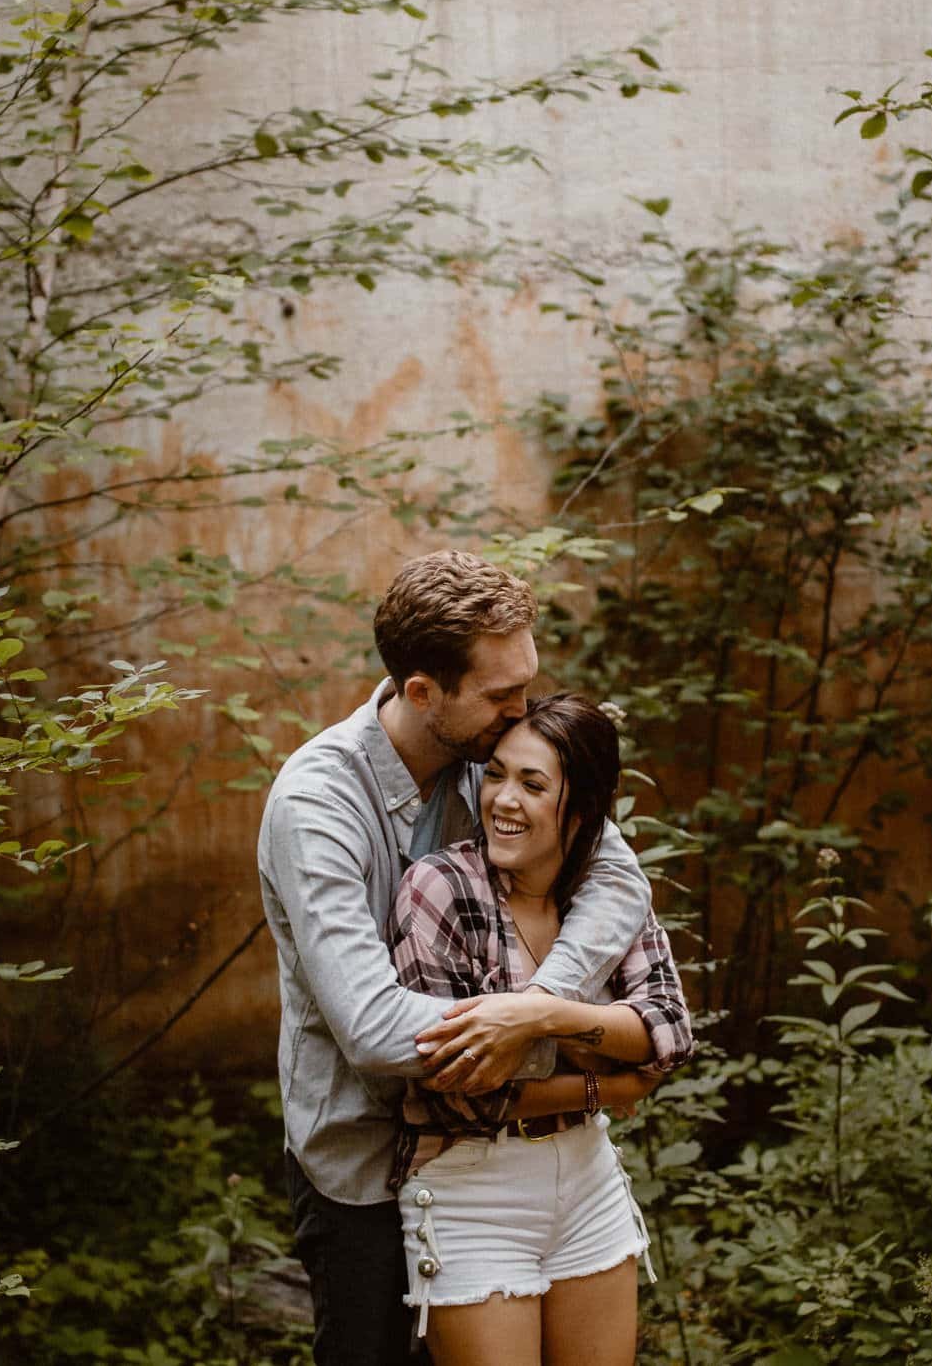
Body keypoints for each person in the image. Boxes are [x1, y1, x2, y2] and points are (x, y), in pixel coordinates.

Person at [257, 552, 655, 1366]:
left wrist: (540, 1002)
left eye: (527, 682)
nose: (525, 708)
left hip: (487, 1164)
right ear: (422, 692)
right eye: (502, 693)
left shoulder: (494, 759)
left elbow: (617, 875)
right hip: (364, 1165)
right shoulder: (318, 803)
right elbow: (372, 1027)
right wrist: (575, 1047)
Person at [387, 693, 693, 1366]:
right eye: (495, 773)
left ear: (580, 808)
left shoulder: (606, 892)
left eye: (532, 784)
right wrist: (608, 1085)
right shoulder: (438, 889)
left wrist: (543, 1015)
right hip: (472, 1188)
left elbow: (668, 1030)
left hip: (588, 1180)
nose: (502, 799)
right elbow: (457, 1090)